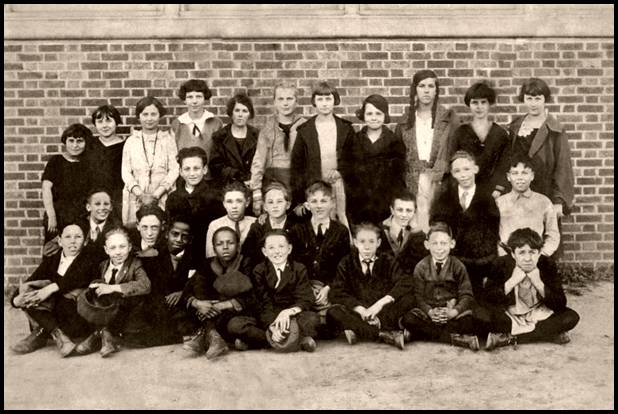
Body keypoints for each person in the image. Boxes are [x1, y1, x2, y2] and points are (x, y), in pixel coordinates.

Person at [483, 228, 579, 350]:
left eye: (532, 252)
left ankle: (510, 338)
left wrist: (538, 283)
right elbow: (487, 299)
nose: (527, 258)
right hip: (510, 313)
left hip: (538, 313)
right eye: (522, 252)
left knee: (571, 317)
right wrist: (512, 281)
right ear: (513, 254)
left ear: (539, 253)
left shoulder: (547, 264)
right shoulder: (501, 264)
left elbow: (560, 303)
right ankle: (548, 334)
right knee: (483, 318)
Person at [11, 224, 96, 357]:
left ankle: (41, 333)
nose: (73, 241)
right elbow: (29, 281)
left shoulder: (89, 259)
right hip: (56, 315)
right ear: (60, 241)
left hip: (74, 316)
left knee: (67, 295)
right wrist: (16, 300)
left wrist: (51, 288)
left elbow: (77, 278)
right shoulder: (51, 261)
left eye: (78, 237)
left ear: (85, 241)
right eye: (68, 237)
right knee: (30, 292)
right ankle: (58, 335)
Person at [327, 222, 415, 349]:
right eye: (362, 241)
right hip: (359, 311)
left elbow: (404, 282)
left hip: (382, 311)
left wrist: (380, 304)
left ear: (378, 243)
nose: (367, 247)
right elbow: (337, 291)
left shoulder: (387, 260)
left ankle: (360, 330)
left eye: (371, 242)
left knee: (409, 299)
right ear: (356, 243)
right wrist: (360, 309)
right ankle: (382, 334)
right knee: (333, 312)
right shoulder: (347, 262)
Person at [182, 227, 266, 358]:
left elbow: (256, 296)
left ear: (238, 246)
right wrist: (199, 303)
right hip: (212, 312)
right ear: (214, 248)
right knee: (199, 285)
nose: (225, 247)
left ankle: (209, 336)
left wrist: (225, 305)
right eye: (219, 244)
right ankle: (214, 336)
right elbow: (188, 290)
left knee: (235, 325)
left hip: (239, 312)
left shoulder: (247, 263)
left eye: (230, 243)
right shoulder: (208, 264)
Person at [498, 78, 575, 218]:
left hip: (545, 190)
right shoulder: (515, 126)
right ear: (524, 99)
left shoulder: (555, 130)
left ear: (545, 100)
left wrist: (558, 200)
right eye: (529, 98)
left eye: (538, 99)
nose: (533, 104)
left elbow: (563, 167)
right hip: (518, 190)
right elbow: (508, 161)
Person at [395, 70, 461, 232]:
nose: (426, 90)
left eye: (431, 86)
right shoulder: (405, 121)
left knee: (438, 226)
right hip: (412, 182)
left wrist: (438, 173)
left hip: (439, 182)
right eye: (422, 86)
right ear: (415, 90)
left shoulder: (448, 119)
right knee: (414, 227)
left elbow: (454, 153)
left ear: (436, 90)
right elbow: (399, 156)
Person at [400, 222, 481, 351]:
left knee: (470, 322)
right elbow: (418, 296)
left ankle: (420, 335)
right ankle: (455, 339)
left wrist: (453, 312)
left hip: (451, 313)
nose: (439, 248)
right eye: (434, 243)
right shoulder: (421, 267)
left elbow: (466, 294)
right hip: (428, 315)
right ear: (427, 245)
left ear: (452, 244)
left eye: (443, 243)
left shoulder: (458, 266)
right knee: (409, 319)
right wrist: (430, 311)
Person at [430, 151, 500, 298]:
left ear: (475, 169)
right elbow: (437, 225)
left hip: (479, 261)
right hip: (451, 258)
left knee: (477, 300)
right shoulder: (445, 197)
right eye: (457, 171)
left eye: (467, 169)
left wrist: (481, 259)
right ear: (453, 174)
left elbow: (492, 232)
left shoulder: (486, 198)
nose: (463, 175)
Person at [74, 227, 151, 357]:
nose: (118, 252)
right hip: (105, 310)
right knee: (92, 293)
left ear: (130, 247)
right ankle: (104, 336)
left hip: (125, 311)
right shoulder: (103, 265)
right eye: (113, 248)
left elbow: (145, 285)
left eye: (122, 247)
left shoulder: (135, 264)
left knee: (113, 296)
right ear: (106, 250)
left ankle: (99, 336)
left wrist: (113, 288)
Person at [290, 81, 355, 230]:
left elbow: (354, 160)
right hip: (315, 187)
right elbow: (297, 167)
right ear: (314, 102)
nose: (324, 104)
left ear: (335, 100)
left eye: (328, 99)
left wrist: (340, 171)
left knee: (340, 222)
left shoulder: (345, 128)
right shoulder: (305, 130)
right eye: (320, 99)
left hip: (339, 186)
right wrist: (299, 199)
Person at [289, 180, 350, 326]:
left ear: (332, 203)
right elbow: (292, 264)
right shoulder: (297, 230)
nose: (319, 205)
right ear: (308, 205)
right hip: (304, 287)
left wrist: (328, 288)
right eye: (314, 201)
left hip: (330, 288)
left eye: (324, 200)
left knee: (336, 313)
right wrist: (307, 287)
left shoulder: (341, 231)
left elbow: (344, 266)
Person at [252, 230, 320, 352]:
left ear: (289, 249)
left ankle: (259, 342)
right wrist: (272, 326)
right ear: (264, 252)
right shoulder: (259, 270)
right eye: (271, 248)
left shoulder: (299, 268)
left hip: (293, 314)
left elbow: (305, 298)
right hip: (268, 314)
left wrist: (288, 312)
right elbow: (262, 301)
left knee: (312, 319)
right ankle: (298, 340)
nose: (277, 251)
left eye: (281, 246)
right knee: (237, 324)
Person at [342, 94, 406, 225]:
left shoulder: (394, 142)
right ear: (363, 115)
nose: (374, 118)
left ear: (385, 116)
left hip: (385, 205)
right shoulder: (354, 140)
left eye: (378, 113)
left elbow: (398, 179)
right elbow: (348, 175)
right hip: (359, 206)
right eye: (369, 113)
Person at [139, 215, 198, 347]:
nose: (179, 240)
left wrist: (182, 292)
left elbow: (198, 280)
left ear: (189, 239)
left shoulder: (193, 256)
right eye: (175, 234)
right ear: (166, 234)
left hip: (183, 303)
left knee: (187, 321)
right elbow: (153, 286)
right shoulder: (154, 254)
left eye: (184, 236)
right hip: (161, 303)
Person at [249, 82, 306, 216]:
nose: (285, 103)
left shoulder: (305, 126)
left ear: (296, 102)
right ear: (274, 102)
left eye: (289, 99)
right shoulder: (268, 127)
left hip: (297, 184)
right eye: (280, 99)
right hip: (273, 182)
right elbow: (259, 160)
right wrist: (256, 192)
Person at [121, 96, 179, 228]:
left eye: (153, 114)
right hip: (137, 195)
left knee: (161, 226)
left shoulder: (168, 140)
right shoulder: (131, 141)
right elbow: (125, 171)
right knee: (137, 229)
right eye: (145, 114)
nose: (149, 118)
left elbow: (175, 169)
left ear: (160, 116)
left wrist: (157, 194)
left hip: (162, 193)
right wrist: (140, 194)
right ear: (139, 116)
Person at [166, 146, 225, 259]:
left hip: (207, 251)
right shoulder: (173, 198)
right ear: (181, 172)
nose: (192, 173)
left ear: (204, 169)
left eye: (196, 168)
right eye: (187, 169)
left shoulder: (215, 196)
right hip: (181, 253)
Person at [451, 82, 509, 197]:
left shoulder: (500, 133)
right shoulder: (461, 132)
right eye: (475, 103)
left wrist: (498, 189)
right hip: (466, 189)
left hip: (494, 192)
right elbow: (454, 162)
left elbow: (504, 164)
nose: (479, 107)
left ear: (489, 104)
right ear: (469, 105)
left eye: (483, 102)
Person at [496, 154, 560, 257]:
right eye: (515, 173)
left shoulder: (543, 202)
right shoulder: (499, 203)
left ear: (532, 176)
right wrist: (503, 255)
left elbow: (553, 234)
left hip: (535, 256)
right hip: (506, 256)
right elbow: (492, 236)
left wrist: (542, 254)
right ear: (508, 177)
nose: (520, 178)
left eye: (525, 173)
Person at [41, 123, 92, 243]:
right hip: (58, 216)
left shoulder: (89, 164)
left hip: (81, 216)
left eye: (79, 141)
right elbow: (46, 189)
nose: (75, 145)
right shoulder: (56, 161)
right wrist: (51, 216)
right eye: (71, 140)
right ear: (65, 142)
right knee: (54, 252)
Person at [209, 93, 259, 188]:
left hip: (252, 185)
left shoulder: (257, 136)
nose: (240, 115)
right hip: (227, 187)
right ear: (231, 113)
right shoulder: (219, 136)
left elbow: (262, 162)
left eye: (245, 111)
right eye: (237, 110)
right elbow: (215, 166)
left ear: (249, 114)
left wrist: (250, 179)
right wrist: (237, 176)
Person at [242, 181, 295, 268]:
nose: (275, 206)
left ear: (288, 205)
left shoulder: (295, 227)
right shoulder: (258, 227)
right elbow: (248, 255)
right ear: (265, 206)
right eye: (270, 202)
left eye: (279, 201)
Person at [86, 104, 126, 218]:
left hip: (117, 200)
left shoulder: (125, 146)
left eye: (109, 121)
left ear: (116, 122)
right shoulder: (90, 145)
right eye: (100, 121)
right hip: (94, 200)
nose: (104, 125)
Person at [170, 79, 223, 159]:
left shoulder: (216, 123)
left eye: (198, 96)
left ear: (204, 98)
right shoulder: (177, 124)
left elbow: (221, 154)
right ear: (185, 100)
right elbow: (172, 155)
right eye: (190, 97)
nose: (194, 101)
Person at [378, 189, 427, 274]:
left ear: (414, 212)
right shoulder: (379, 231)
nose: (404, 215)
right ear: (392, 210)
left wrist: (416, 233)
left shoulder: (418, 234)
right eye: (400, 210)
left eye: (409, 211)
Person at [205, 181, 257, 259]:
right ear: (224, 204)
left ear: (247, 202)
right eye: (229, 202)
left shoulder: (255, 223)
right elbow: (211, 256)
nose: (234, 206)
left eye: (239, 201)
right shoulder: (215, 225)